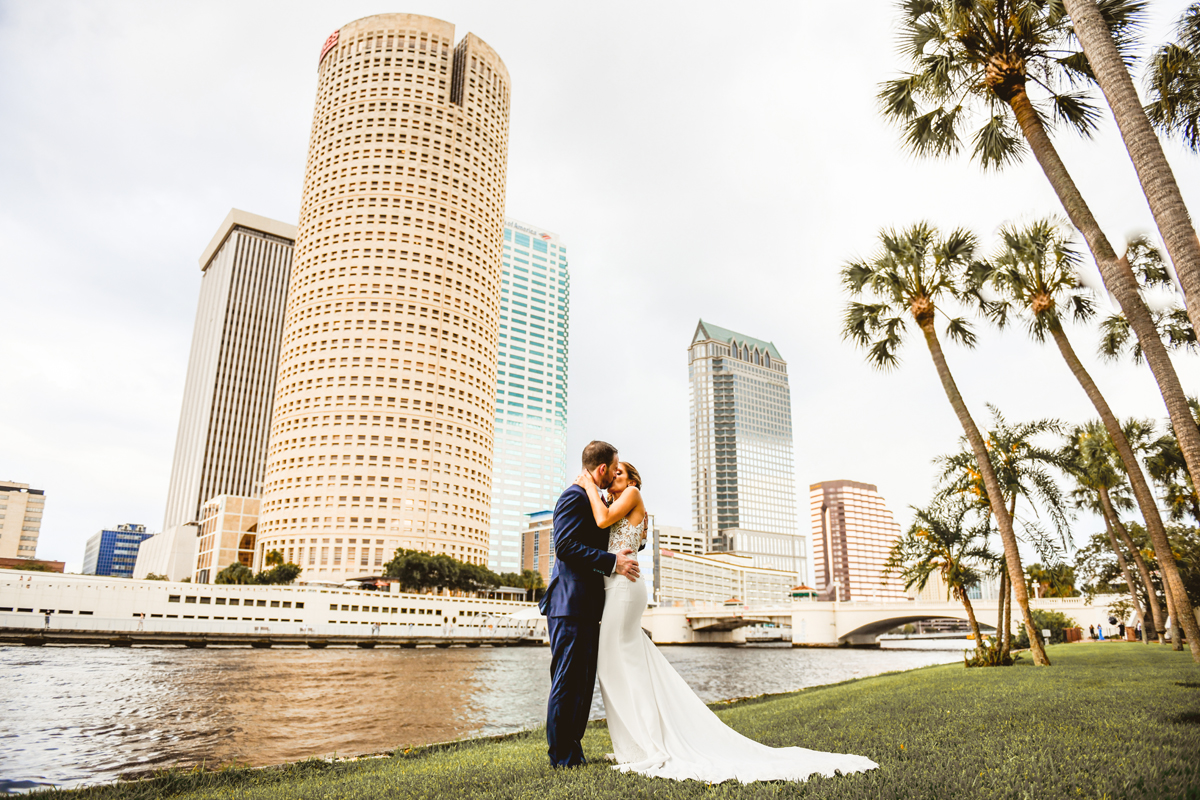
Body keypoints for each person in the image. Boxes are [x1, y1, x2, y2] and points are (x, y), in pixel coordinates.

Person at [574, 462, 878, 783]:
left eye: (618, 474)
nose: (612, 479)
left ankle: (650, 746)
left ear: (633, 480)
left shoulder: (632, 494)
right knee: (620, 665)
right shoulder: (616, 502)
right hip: (615, 584)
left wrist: (588, 484)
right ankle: (635, 746)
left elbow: (603, 520)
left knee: (617, 664)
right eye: (611, 475)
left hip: (625, 587)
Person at [539, 441, 640, 768]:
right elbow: (566, 547)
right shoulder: (573, 496)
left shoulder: (595, 499)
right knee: (567, 681)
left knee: (582, 684)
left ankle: (574, 752)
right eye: (614, 468)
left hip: (588, 607)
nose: (614, 474)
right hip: (569, 604)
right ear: (602, 469)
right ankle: (561, 758)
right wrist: (612, 562)